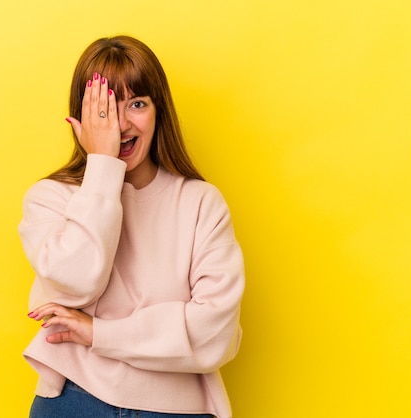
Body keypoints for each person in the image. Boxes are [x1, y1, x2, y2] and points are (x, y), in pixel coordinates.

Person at [19, 35, 245, 418]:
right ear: (82, 119)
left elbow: (216, 333)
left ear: (159, 112)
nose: (121, 124)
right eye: (104, 109)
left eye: (137, 104)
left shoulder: (201, 203)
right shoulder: (51, 197)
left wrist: (98, 333)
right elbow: (77, 279)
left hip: (177, 410)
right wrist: (103, 166)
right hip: (75, 400)